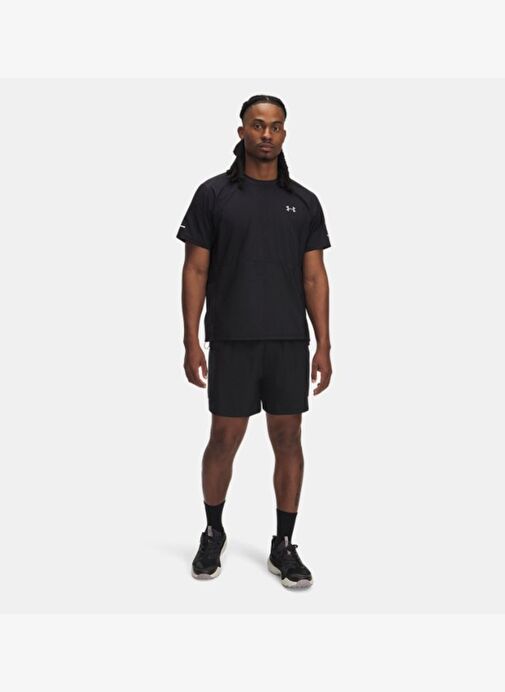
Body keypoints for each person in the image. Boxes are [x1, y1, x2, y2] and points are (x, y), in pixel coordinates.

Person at [176, 94, 332, 588]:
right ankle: (213, 531)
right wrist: (191, 340)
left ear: (284, 134)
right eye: (258, 125)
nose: (267, 133)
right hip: (232, 339)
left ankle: (284, 544)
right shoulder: (213, 194)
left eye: (276, 126)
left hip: (287, 341)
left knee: (288, 440)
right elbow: (195, 269)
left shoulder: (304, 201)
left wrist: (324, 345)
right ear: (242, 131)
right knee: (223, 440)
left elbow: (314, 277)